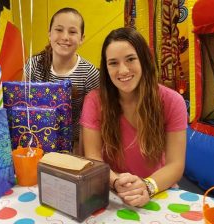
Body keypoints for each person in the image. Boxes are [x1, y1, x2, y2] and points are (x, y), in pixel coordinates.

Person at [80, 27, 187, 207]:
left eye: (130, 59)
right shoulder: (94, 100)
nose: (123, 70)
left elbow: (175, 165)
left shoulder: (172, 101)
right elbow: (92, 156)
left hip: (157, 188)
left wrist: (147, 186)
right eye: (113, 63)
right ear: (106, 68)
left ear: (144, 60)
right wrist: (115, 182)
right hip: (112, 189)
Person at [24, 7, 99, 155]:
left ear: (82, 38)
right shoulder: (33, 66)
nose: (65, 37)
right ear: (49, 34)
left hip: (75, 147)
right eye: (59, 30)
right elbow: (24, 107)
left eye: (72, 32)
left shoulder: (89, 74)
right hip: (37, 142)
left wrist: (81, 155)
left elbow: (91, 122)